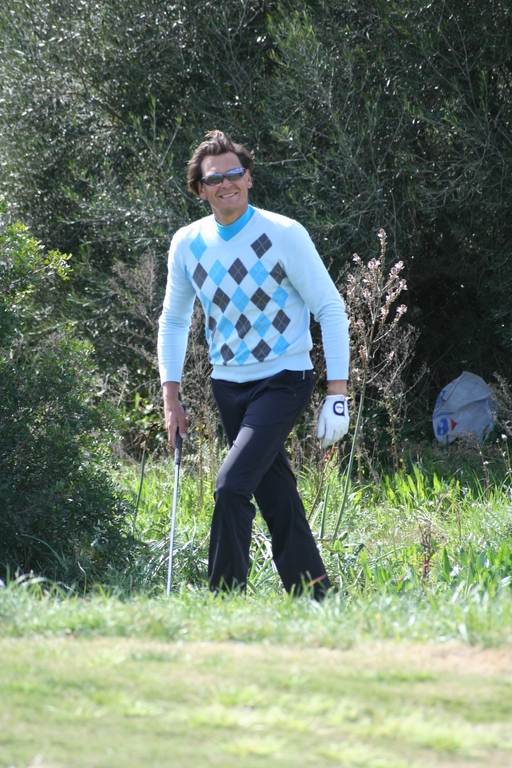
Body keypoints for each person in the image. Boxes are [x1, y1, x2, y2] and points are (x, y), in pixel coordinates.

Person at [158, 130, 350, 599]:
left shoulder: (284, 233)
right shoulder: (187, 243)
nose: (226, 183)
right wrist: (171, 397)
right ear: (200, 189)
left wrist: (337, 393)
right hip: (228, 386)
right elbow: (174, 320)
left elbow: (330, 308)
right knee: (275, 493)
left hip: (285, 378)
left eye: (234, 173)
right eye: (214, 178)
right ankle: (316, 596)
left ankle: (225, 599)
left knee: (231, 486)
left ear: (248, 178)